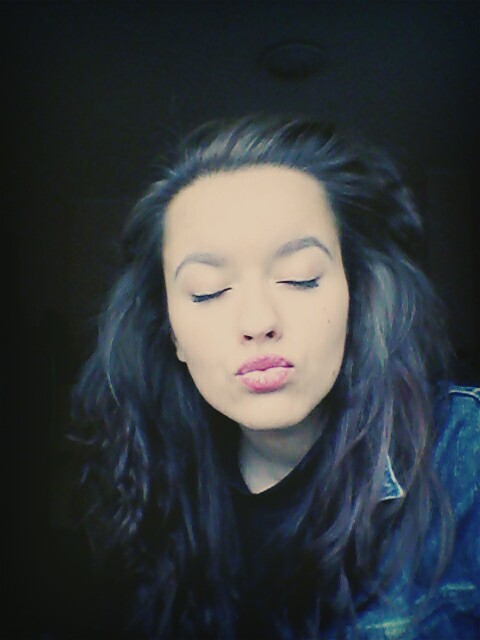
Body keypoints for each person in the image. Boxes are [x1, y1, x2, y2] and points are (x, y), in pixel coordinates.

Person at [72, 116, 479, 639]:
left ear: (355, 297)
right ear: (172, 333)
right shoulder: (154, 497)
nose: (258, 321)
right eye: (207, 290)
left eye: (299, 278)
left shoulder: (463, 455)